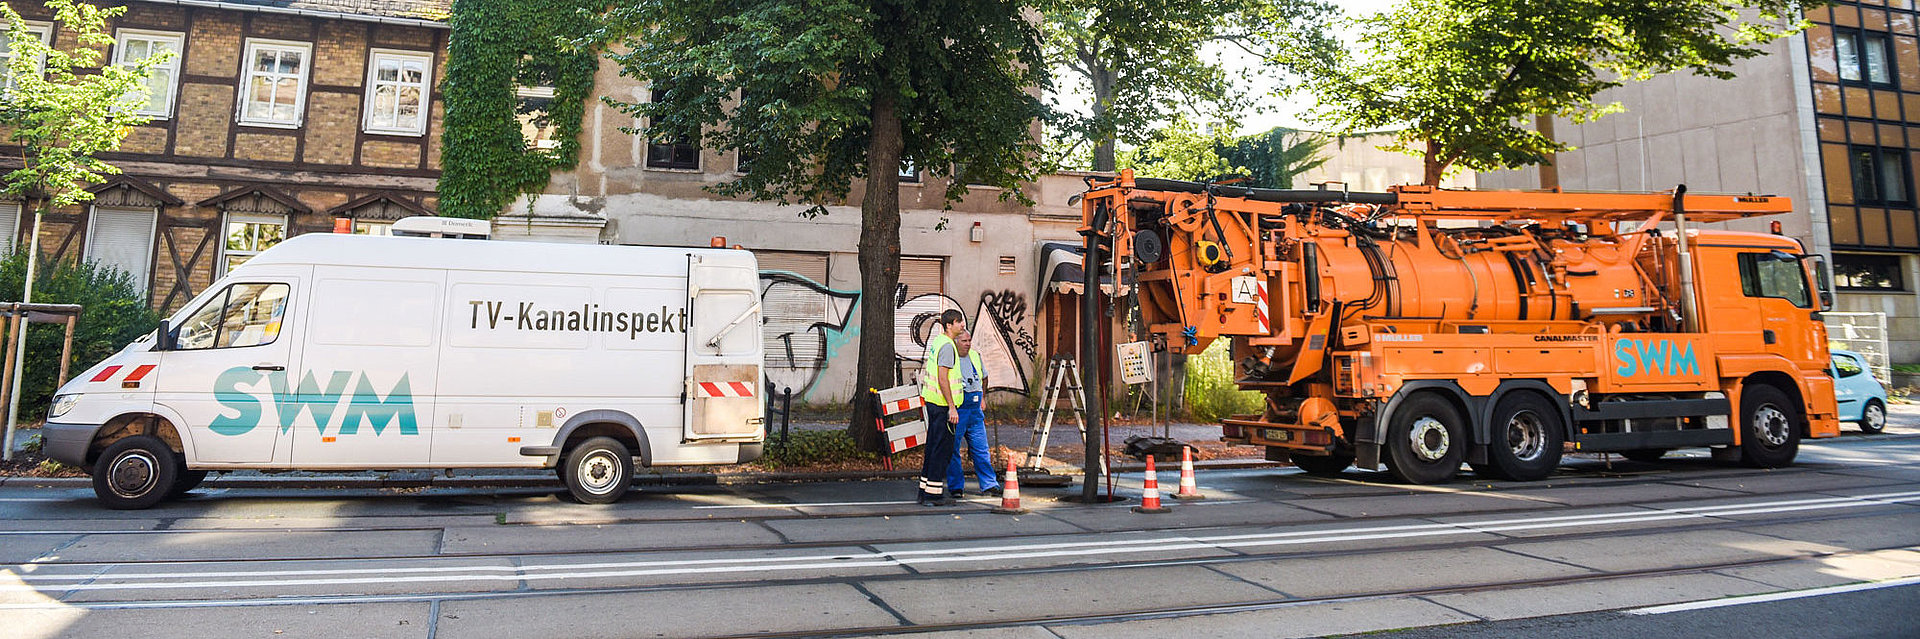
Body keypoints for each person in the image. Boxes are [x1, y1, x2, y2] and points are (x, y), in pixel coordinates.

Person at [916, 309, 966, 506]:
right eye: (959, 322)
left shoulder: (938, 342)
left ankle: (925, 491)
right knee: (941, 450)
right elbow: (943, 378)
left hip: (933, 403)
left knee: (933, 448)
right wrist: (952, 408)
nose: (962, 325)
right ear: (949, 325)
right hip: (943, 406)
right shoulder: (947, 346)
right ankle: (933, 495)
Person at [947, 330, 1002, 497]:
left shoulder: (975, 356)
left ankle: (989, 484)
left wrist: (983, 397)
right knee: (954, 449)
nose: (968, 343)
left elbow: (984, 377)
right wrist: (951, 407)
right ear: (956, 342)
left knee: (981, 448)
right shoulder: (951, 358)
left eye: (969, 340)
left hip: (975, 410)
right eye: (964, 340)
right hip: (959, 408)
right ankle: (956, 486)